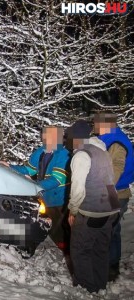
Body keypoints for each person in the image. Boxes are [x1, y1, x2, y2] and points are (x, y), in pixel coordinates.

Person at [66, 120, 120, 293]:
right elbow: (110, 182)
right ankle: (100, 286)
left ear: (76, 138)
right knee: (100, 250)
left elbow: (78, 188)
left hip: (91, 212)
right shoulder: (102, 152)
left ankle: (86, 290)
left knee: (80, 251)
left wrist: (73, 210)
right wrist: (114, 209)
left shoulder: (81, 155)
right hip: (110, 209)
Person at [4, 126, 71, 251]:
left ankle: (68, 251)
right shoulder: (40, 151)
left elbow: (56, 180)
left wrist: (35, 186)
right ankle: (63, 248)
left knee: (61, 228)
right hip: (45, 196)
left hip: (60, 199)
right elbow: (29, 169)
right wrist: (9, 166)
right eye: (44, 135)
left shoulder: (64, 155)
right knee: (51, 227)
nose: (45, 138)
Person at [93, 112, 134, 281]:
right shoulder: (108, 138)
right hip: (113, 191)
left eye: (95, 122)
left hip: (114, 192)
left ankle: (110, 269)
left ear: (105, 124)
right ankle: (108, 266)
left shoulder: (117, 143)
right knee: (109, 230)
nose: (93, 125)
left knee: (109, 231)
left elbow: (114, 172)